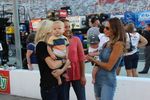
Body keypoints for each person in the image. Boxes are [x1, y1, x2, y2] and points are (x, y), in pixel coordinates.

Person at [86, 17, 126, 100]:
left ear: (115, 29)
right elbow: (100, 58)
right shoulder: (106, 43)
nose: (104, 30)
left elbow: (109, 66)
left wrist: (93, 59)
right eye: (104, 27)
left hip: (108, 80)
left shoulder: (118, 44)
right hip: (98, 78)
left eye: (107, 28)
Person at [35, 19, 70, 100]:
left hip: (61, 83)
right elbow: (53, 65)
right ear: (47, 31)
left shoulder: (54, 45)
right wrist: (64, 61)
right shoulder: (41, 45)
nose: (56, 31)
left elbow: (68, 61)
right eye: (54, 28)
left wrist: (62, 69)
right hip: (50, 86)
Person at [62, 19, 86, 100]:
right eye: (65, 27)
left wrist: (83, 76)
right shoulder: (57, 41)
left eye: (69, 26)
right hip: (64, 74)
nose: (68, 28)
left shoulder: (76, 40)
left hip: (77, 74)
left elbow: (81, 59)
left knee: (82, 98)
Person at [47, 20, 70, 85]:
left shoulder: (65, 38)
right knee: (56, 68)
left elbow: (67, 47)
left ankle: (64, 74)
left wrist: (67, 54)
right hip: (56, 56)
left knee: (66, 64)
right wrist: (51, 54)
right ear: (52, 30)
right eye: (54, 29)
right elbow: (48, 47)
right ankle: (58, 78)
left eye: (59, 28)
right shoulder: (52, 38)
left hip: (63, 55)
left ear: (63, 30)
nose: (57, 30)